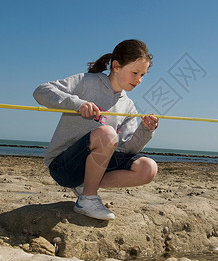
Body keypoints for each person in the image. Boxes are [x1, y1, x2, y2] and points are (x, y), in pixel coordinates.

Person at [33, 39, 158, 221]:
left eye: (143, 75)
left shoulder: (129, 106)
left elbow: (126, 149)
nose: (139, 80)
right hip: (63, 167)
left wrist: (145, 131)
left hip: (96, 166)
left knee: (148, 168)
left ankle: (85, 185)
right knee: (107, 133)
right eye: (135, 72)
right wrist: (77, 103)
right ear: (116, 66)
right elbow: (41, 91)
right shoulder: (87, 82)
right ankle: (87, 198)